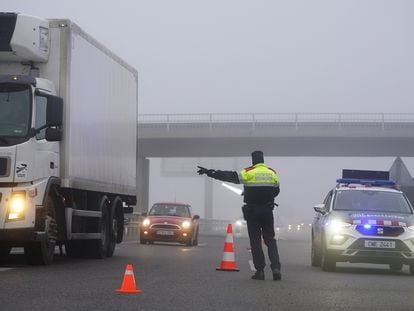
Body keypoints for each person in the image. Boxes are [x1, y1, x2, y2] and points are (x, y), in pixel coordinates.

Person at [197, 151, 281, 281]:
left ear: (253, 160)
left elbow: (229, 176)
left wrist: (210, 172)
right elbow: (276, 191)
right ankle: (276, 269)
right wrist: (266, 198)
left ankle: (260, 271)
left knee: (256, 241)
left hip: (252, 211)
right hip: (267, 210)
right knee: (270, 239)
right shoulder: (272, 173)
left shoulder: (248, 172)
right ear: (263, 160)